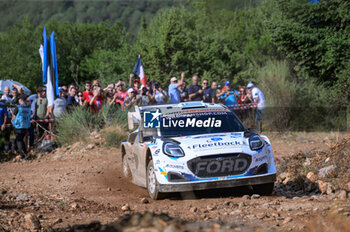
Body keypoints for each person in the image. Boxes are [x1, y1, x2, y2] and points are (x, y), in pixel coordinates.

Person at [11, 95, 31, 159]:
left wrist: (12, 121)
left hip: (19, 126)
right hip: (26, 126)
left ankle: (22, 155)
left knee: (19, 140)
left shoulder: (18, 107)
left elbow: (14, 116)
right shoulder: (28, 107)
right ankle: (25, 153)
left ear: (20, 100)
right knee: (21, 140)